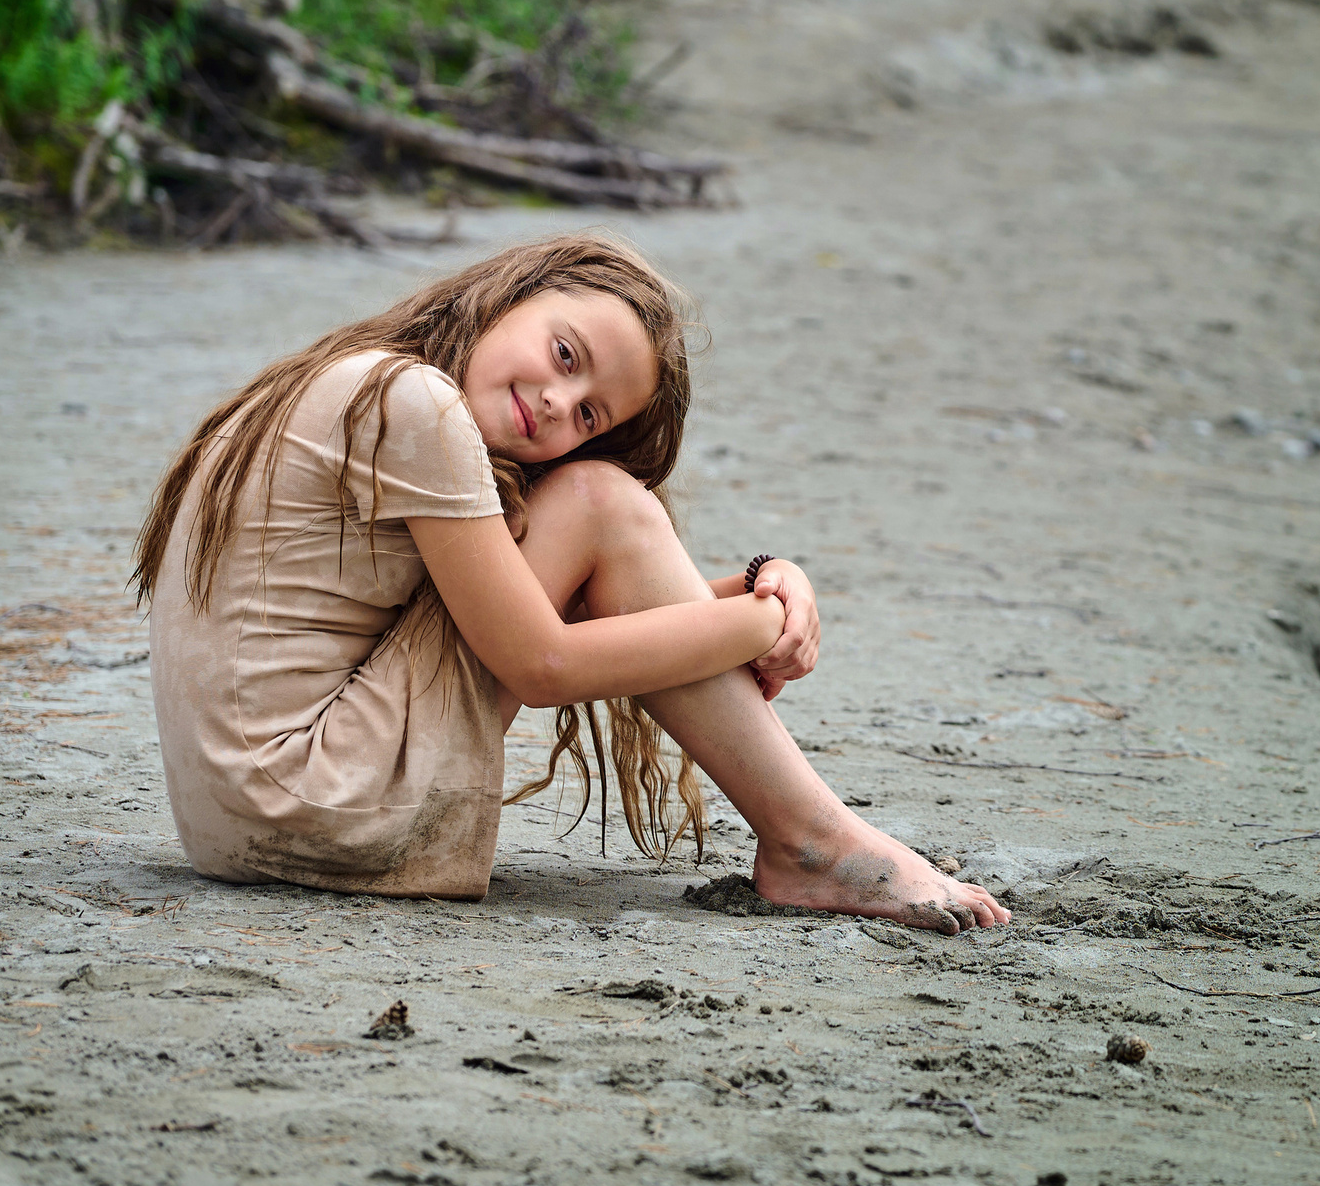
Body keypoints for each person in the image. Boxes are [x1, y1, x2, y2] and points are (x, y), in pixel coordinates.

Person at [132, 232, 1009, 933]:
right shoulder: (413, 404)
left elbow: (587, 603)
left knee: (600, 506)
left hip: (240, 820)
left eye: (588, 412)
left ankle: (816, 838)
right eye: (563, 351)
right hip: (319, 805)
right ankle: (815, 840)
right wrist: (757, 623)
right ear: (511, 294)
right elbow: (541, 665)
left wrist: (758, 588)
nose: (558, 400)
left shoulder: (364, 377)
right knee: (596, 500)